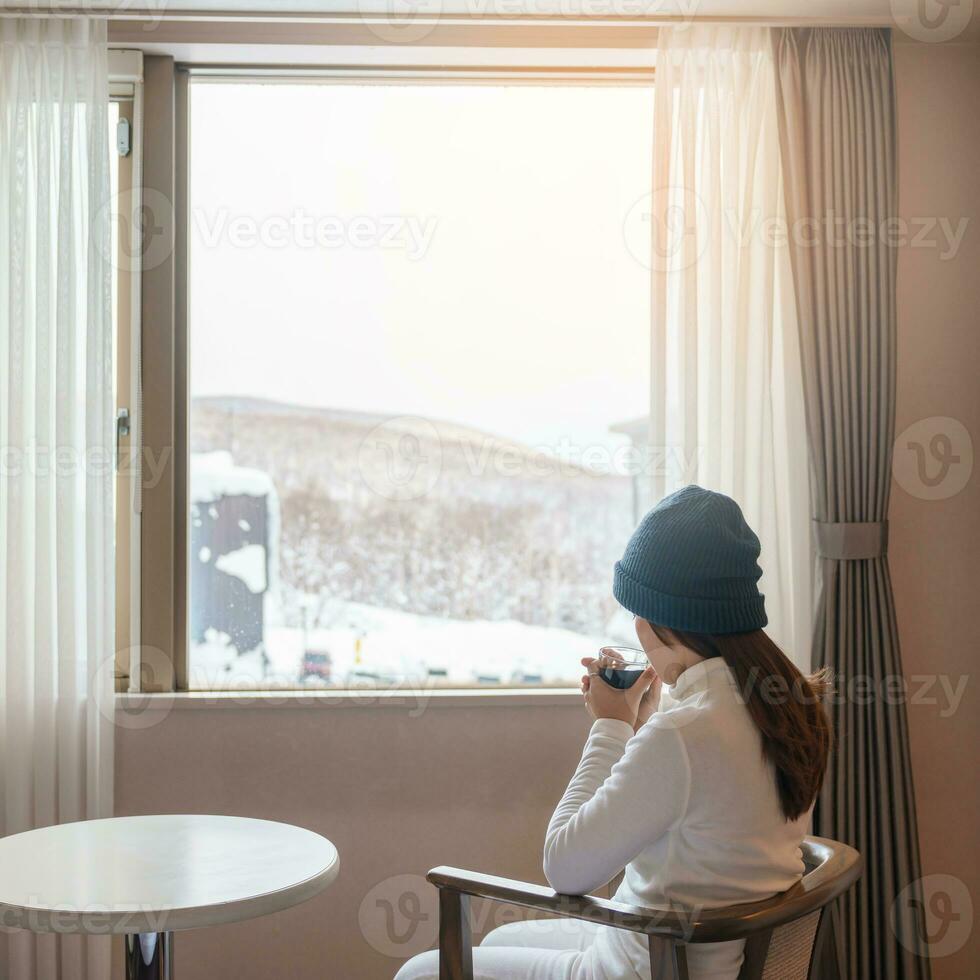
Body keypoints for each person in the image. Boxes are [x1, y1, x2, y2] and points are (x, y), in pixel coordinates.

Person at [395, 485, 832, 980]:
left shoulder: (683, 735)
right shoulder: (786, 703)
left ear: (653, 621)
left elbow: (565, 869)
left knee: (419, 973)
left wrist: (610, 726)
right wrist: (641, 726)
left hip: (654, 966)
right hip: (704, 955)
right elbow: (706, 816)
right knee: (500, 937)